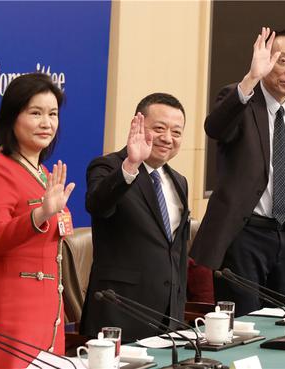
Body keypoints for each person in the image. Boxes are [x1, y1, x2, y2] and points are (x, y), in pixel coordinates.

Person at [190, 27, 285, 316]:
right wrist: (251, 79)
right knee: (244, 323)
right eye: (283, 61)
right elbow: (215, 128)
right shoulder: (241, 97)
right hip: (245, 233)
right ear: (265, 59)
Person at [0, 73, 74, 368]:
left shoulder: (43, 172)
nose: (46, 123)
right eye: (35, 113)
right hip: (11, 317)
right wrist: (40, 214)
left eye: (53, 114)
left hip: (49, 317)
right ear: (12, 117)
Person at [80, 93, 190, 342]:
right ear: (138, 125)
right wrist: (130, 165)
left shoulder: (179, 181)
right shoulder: (109, 167)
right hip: (119, 314)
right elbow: (98, 205)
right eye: (159, 128)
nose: (167, 138)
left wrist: (178, 306)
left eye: (177, 132)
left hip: (167, 318)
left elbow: (175, 251)